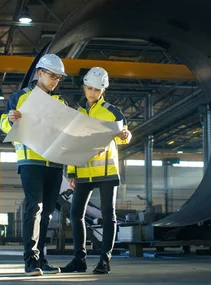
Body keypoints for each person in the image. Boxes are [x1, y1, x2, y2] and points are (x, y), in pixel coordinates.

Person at [0, 54, 67, 276]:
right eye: (52, 75)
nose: (56, 80)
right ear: (40, 73)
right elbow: (4, 123)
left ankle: (42, 259)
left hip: (55, 164)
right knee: (34, 208)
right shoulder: (20, 98)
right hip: (31, 162)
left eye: (59, 77)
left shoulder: (61, 103)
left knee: (47, 213)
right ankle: (31, 261)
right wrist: (9, 119)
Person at [62, 67, 132, 274]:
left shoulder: (112, 111)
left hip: (106, 172)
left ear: (103, 90)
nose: (92, 93)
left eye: (96, 89)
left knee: (108, 215)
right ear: (83, 86)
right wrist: (72, 172)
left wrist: (125, 136)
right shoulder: (77, 114)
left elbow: (125, 133)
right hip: (83, 172)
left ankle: (104, 260)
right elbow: (72, 144)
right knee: (75, 214)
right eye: (89, 88)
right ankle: (79, 260)